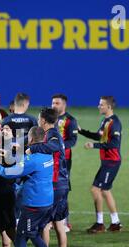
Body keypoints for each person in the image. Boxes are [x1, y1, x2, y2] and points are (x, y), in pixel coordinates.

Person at [0, 126, 59, 247]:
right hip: (47, 202)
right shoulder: (46, 154)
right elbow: (26, 164)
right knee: (34, 235)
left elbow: (10, 173)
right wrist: (12, 154)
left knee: (20, 238)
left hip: (34, 204)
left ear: (32, 139)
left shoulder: (32, 159)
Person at [0, 93, 38, 247]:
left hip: (9, 169)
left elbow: (1, 143)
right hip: (26, 171)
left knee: (7, 221)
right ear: (27, 104)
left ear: (14, 104)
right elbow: (36, 142)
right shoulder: (31, 120)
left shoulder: (6, 119)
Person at [28, 108, 70, 247]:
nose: (38, 121)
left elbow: (53, 146)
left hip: (54, 185)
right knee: (59, 223)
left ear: (44, 121)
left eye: (39, 119)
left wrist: (33, 148)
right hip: (62, 184)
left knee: (44, 225)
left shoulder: (53, 135)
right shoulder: (51, 134)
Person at [78, 96, 123, 233]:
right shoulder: (106, 121)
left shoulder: (114, 123)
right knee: (105, 190)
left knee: (95, 189)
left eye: (101, 104)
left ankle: (100, 223)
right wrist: (81, 131)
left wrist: (94, 146)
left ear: (109, 107)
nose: (99, 106)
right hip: (108, 161)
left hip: (111, 161)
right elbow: (99, 136)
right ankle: (115, 223)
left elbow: (114, 143)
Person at [52, 94, 78, 232]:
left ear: (64, 105)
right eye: (53, 103)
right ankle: (51, 219)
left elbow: (73, 140)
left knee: (63, 188)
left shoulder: (70, 120)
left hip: (64, 159)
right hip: (50, 158)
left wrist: (58, 145)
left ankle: (65, 221)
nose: (54, 105)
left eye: (57, 103)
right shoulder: (51, 118)